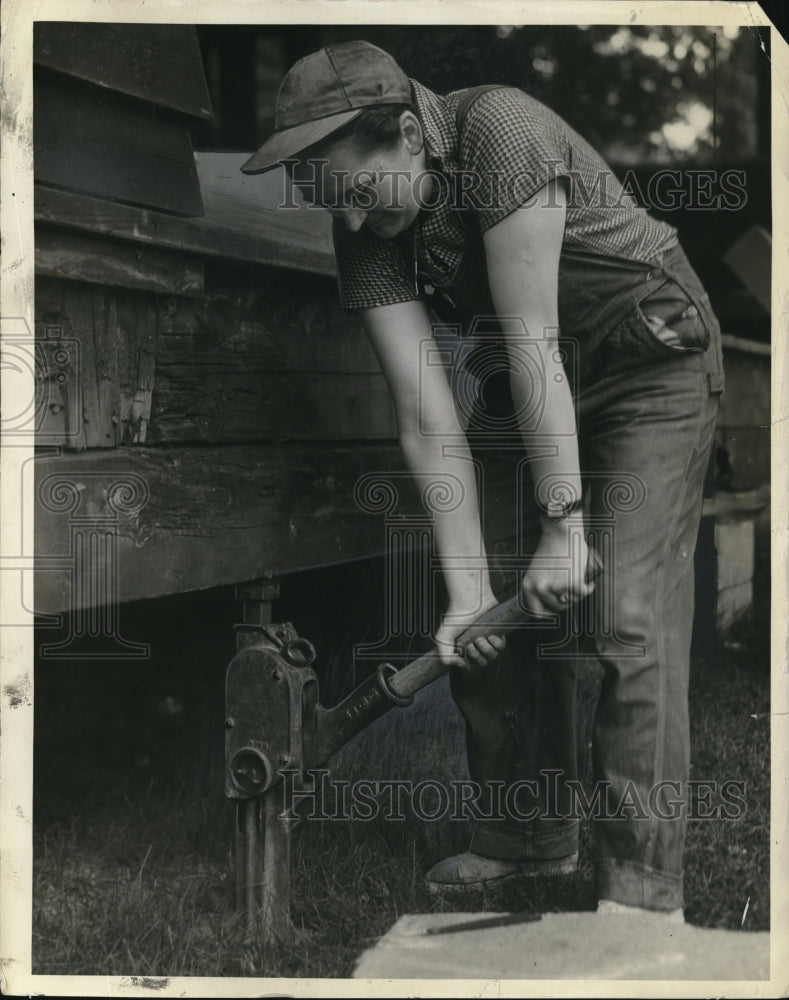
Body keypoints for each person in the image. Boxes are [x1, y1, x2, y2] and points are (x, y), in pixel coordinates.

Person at [241, 39, 724, 920]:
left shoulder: (500, 131)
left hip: (646, 356)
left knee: (623, 617)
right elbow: (427, 418)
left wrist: (566, 524)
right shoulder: (368, 227)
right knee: (490, 620)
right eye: (329, 202)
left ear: (410, 138)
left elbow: (537, 343)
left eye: (355, 192)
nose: (347, 223)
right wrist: (467, 594)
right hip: (529, 382)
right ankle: (527, 839)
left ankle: (642, 887)